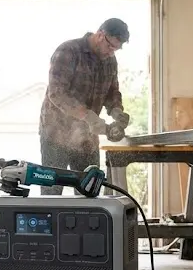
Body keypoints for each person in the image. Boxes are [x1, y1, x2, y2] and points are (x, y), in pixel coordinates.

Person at [38, 18, 131, 195]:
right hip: (56, 135)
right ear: (100, 35)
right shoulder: (68, 51)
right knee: (52, 192)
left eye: (116, 49)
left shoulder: (110, 61)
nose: (112, 53)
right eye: (111, 46)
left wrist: (117, 111)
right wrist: (88, 116)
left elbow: (112, 92)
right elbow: (57, 94)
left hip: (87, 138)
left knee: (89, 190)